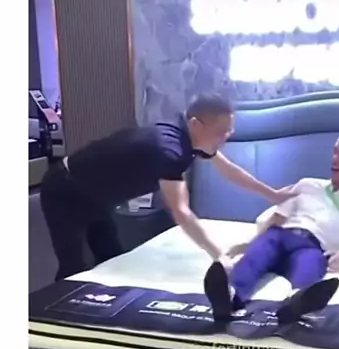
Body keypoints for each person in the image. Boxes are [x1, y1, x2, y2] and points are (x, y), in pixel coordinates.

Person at [39, 93, 296, 281]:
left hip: (97, 196)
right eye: (221, 132)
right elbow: (181, 212)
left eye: (229, 131)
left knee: (110, 259)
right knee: (72, 266)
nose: (226, 138)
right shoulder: (169, 150)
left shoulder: (190, 136)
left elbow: (229, 170)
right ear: (196, 124)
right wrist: (219, 256)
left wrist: (272, 194)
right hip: (65, 190)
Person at [204, 130, 339, 325]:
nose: (335, 159)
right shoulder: (307, 185)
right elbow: (277, 218)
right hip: (281, 235)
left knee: (311, 262)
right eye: (335, 151)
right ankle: (230, 297)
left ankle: (297, 302)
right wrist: (248, 244)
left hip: (313, 246)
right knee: (260, 251)